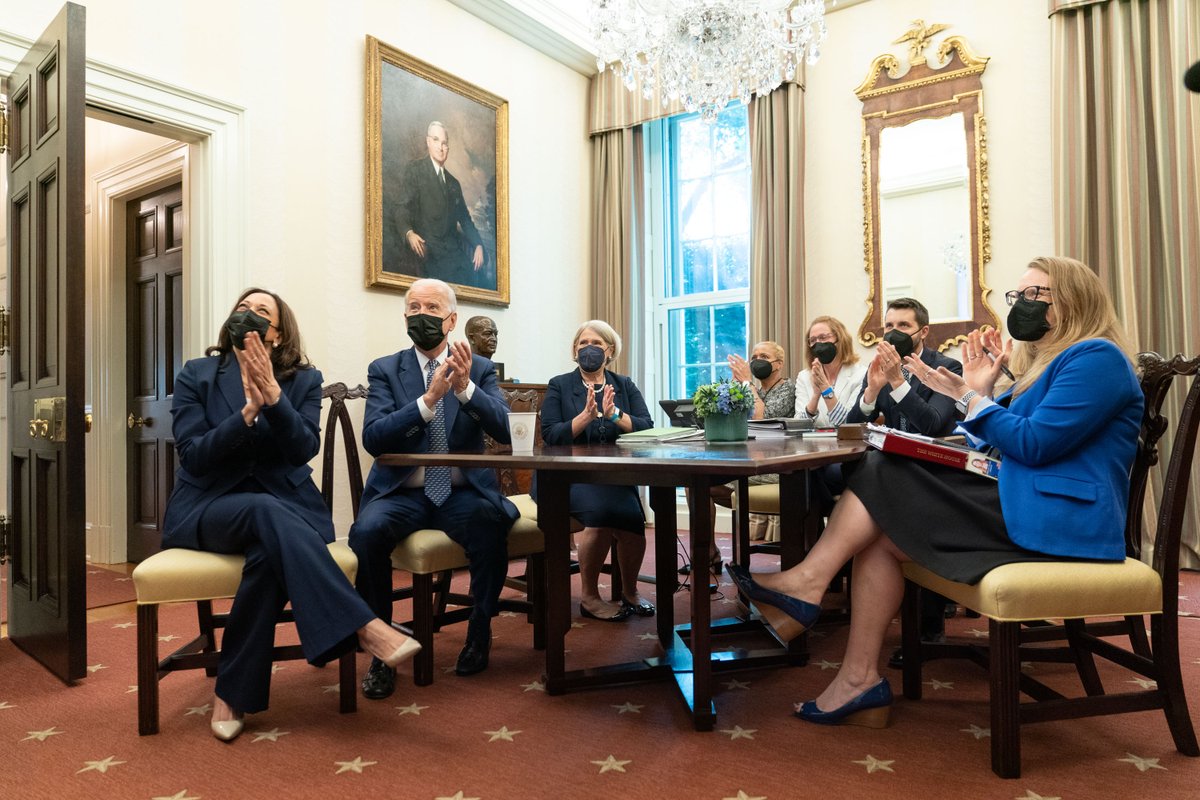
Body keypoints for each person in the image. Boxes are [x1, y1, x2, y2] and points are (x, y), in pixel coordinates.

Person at [727, 256, 1142, 728]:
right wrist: (982, 392)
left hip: (1060, 518)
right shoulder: (1046, 366)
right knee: (881, 536)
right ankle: (858, 679)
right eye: (1018, 295)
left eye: (1034, 295)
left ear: (1074, 300)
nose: (1021, 304)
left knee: (882, 468)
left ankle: (807, 584)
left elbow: (1033, 443)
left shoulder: (1097, 357)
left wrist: (969, 396)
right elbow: (996, 443)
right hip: (1023, 500)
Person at [162, 288, 420, 742]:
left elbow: (304, 449)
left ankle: (232, 694)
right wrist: (247, 412)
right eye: (243, 308)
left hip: (287, 511)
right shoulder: (196, 374)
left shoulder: (304, 380)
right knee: (264, 510)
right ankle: (363, 625)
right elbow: (194, 457)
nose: (249, 314)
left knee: (268, 557)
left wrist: (274, 398)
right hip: (209, 507)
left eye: (262, 311)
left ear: (278, 335)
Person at [349, 278, 517, 698]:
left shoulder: (479, 368)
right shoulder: (386, 369)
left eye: (431, 308)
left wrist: (465, 389)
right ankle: (381, 646)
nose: (421, 315)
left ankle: (479, 629)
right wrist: (427, 402)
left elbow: (505, 429)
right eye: (414, 308)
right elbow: (374, 438)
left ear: (451, 320)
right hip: (402, 492)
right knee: (366, 533)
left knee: (490, 522)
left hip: (460, 492)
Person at [536, 320, 655, 621]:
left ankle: (630, 592)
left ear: (610, 350)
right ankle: (589, 597)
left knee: (632, 520)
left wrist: (615, 415)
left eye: (596, 344)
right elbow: (550, 435)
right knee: (601, 517)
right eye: (583, 343)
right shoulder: (559, 384)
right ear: (575, 349)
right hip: (565, 476)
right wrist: (585, 417)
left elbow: (646, 427)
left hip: (613, 476)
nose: (589, 349)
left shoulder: (624, 384)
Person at [846, 297, 962, 436]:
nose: (894, 333)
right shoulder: (879, 368)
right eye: (889, 326)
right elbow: (851, 428)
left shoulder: (946, 368)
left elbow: (932, 425)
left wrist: (897, 382)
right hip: (892, 448)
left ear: (923, 332)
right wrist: (871, 392)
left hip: (931, 449)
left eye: (903, 325)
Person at [398, 121, 486, 288]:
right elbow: (402, 207)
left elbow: (465, 220)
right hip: (428, 248)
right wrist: (409, 233)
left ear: (448, 148)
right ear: (428, 142)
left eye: (444, 143)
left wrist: (478, 245)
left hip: (452, 251)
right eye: (436, 140)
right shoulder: (415, 170)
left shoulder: (454, 183)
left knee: (475, 278)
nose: (440, 147)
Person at [793, 316, 867, 429]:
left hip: (847, 440)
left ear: (840, 339)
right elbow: (798, 425)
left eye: (823, 337)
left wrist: (825, 388)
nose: (818, 343)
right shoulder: (804, 376)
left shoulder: (861, 374)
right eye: (813, 340)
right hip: (813, 440)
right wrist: (815, 396)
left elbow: (848, 424)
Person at [727, 341, 797, 422]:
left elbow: (760, 419)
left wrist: (747, 381)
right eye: (754, 358)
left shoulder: (788, 389)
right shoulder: (757, 391)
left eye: (764, 357)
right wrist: (735, 385)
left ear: (779, 364)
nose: (757, 361)